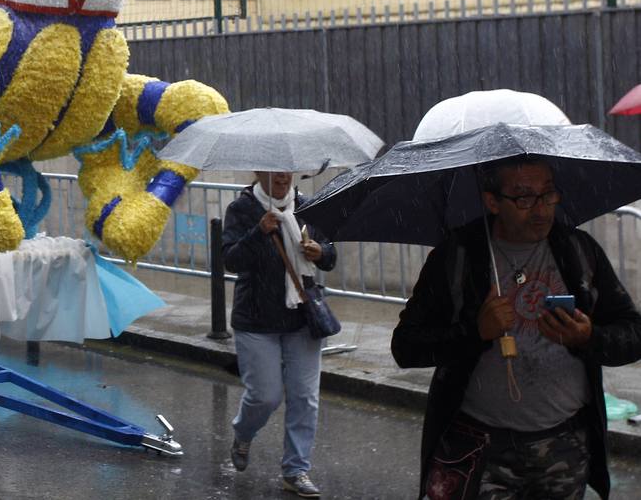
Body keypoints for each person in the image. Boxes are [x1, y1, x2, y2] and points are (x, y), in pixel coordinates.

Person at [392, 156, 641, 499]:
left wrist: (589, 338)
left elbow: (633, 333)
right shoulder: (457, 256)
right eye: (524, 198)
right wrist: (473, 332)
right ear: (492, 201)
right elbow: (405, 347)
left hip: (565, 447)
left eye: (548, 194)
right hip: (479, 448)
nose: (540, 209)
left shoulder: (578, 251)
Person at [222, 170, 337, 498]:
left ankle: (296, 470)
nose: (283, 176)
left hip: (302, 317)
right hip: (256, 320)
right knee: (266, 396)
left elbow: (330, 253)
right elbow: (231, 260)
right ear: (259, 171)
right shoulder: (242, 210)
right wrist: (258, 233)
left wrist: (321, 252)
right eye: (274, 169)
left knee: (304, 397)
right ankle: (243, 433)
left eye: (287, 169)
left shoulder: (306, 206)